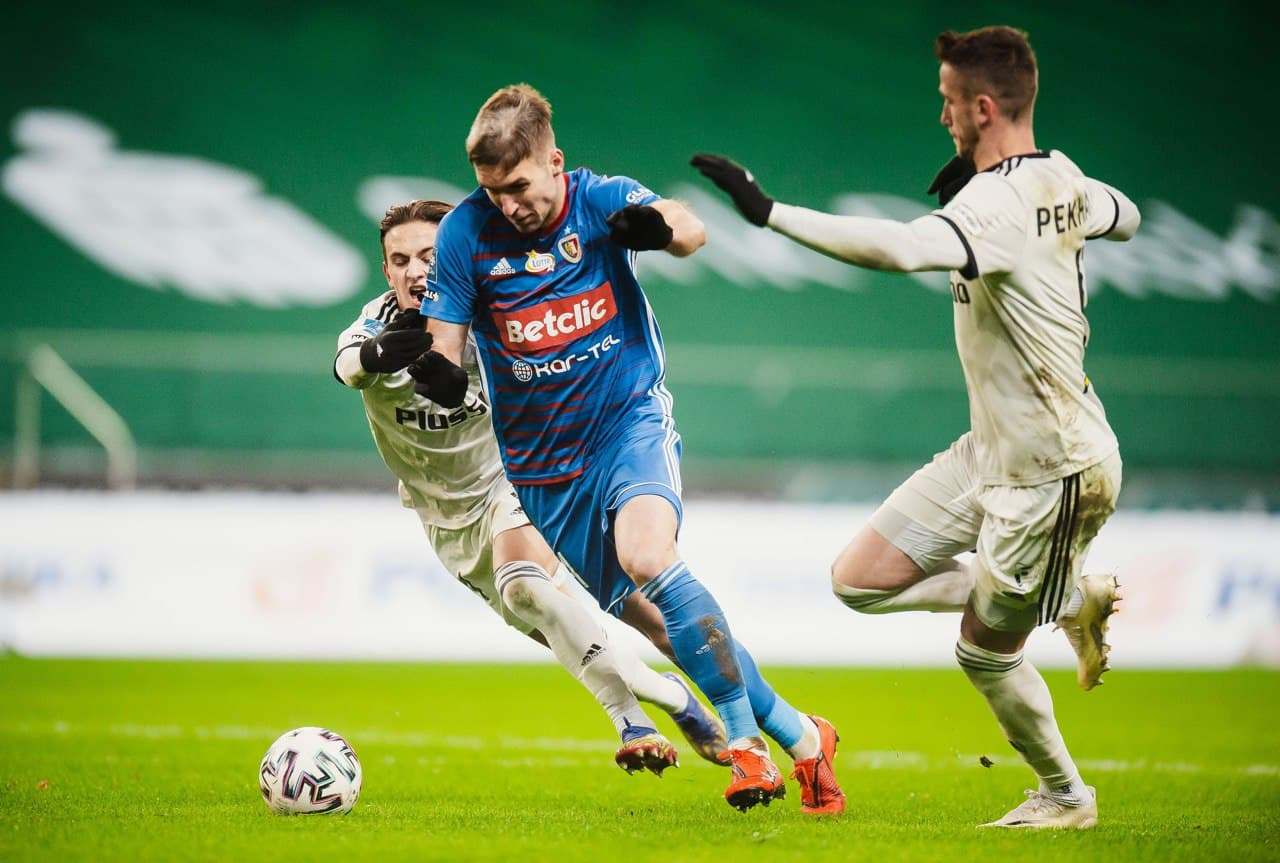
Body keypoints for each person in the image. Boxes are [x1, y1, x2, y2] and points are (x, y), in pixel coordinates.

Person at [693, 25, 1139, 829]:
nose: (942, 117)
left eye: (948, 102)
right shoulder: (1062, 177)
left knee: (983, 652)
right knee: (858, 579)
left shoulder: (997, 204)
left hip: (1052, 466)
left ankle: (1067, 797)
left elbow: (901, 248)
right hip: (991, 451)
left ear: (983, 107)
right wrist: (1056, 204)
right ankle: (1067, 597)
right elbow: (1127, 215)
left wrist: (768, 212)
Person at [414, 85, 846, 814]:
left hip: (627, 423)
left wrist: (656, 228)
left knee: (649, 555)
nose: (508, 205)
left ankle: (747, 750)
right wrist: (440, 375)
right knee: (665, 630)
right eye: (493, 190)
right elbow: (444, 351)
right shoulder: (465, 233)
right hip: (545, 474)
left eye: (518, 186)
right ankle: (805, 738)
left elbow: (689, 229)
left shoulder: (598, 200)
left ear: (555, 161)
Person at [334, 198, 728, 776]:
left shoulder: (491, 313)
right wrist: (376, 353)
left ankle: (646, 722)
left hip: (518, 479)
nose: (415, 271)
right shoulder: (375, 323)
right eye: (400, 260)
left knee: (525, 587)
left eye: (428, 256)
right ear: (386, 270)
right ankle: (672, 699)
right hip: (446, 516)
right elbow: (348, 365)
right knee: (553, 623)